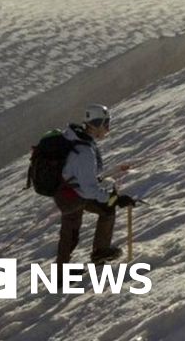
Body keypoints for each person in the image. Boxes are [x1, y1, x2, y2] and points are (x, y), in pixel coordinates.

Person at [54, 104, 136, 264]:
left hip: (69, 190)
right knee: (70, 234)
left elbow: (85, 177)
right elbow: (88, 190)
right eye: (106, 124)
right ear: (96, 124)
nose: (108, 129)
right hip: (72, 196)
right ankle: (62, 275)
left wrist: (110, 195)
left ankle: (100, 253)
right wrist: (115, 199)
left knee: (72, 232)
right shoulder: (84, 151)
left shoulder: (77, 139)